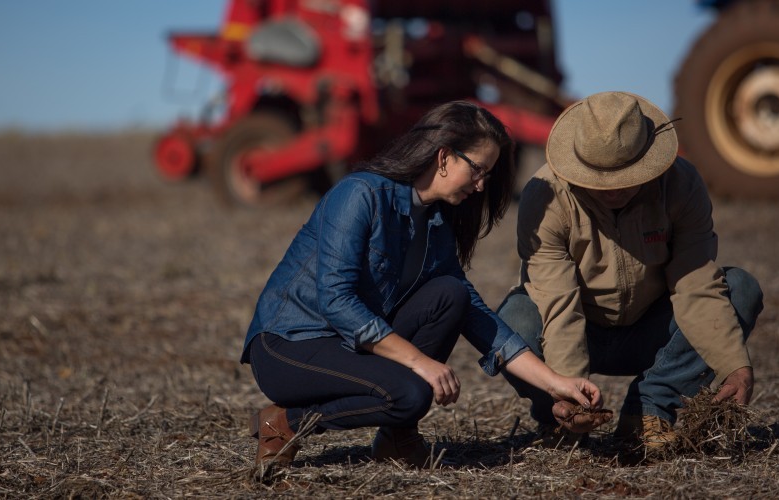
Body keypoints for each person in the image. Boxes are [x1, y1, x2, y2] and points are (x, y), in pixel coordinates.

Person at [240, 100, 607, 470]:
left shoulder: (435, 223)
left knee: (451, 294)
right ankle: (285, 423)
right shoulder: (360, 194)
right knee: (411, 393)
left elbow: (478, 319)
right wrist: (420, 363)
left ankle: (395, 440)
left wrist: (555, 383)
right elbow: (336, 301)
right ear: (444, 157)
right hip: (289, 345)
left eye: (487, 176)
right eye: (478, 170)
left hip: (346, 344)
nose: (481, 187)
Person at [497, 91, 764, 450]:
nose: (610, 191)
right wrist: (569, 389)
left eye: (624, 177)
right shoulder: (545, 197)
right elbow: (557, 304)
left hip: (652, 332)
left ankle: (648, 410)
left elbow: (697, 283)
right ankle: (558, 418)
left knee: (740, 289)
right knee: (514, 320)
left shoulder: (682, 185)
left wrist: (735, 365)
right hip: (577, 329)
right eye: (597, 178)